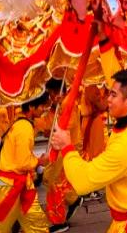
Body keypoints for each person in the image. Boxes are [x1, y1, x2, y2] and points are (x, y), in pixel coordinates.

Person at [49, 69, 127, 232]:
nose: (108, 99)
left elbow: (82, 181)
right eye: (109, 93)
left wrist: (66, 146)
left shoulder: (125, 146)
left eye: (113, 95)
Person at [0, 93, 51, 232]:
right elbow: (23, 162)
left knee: (37, 224)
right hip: (9, 187)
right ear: (31, 107)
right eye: (42, 106)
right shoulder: (24, 127)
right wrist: (39, 161)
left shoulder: (20, 122)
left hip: (21, 183)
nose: (44, 109)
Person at [39, 77, 83, 233]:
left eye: (51, 93)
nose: (50, 97)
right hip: (61, 146)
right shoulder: (58, 105)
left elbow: (68, 124)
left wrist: (54, 127)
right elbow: (50, 125)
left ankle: (59, 220)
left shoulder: (67, 103)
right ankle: (72, 198)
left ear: (58, 91)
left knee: (53, 180)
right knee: (52, 179)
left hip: (67, 146)